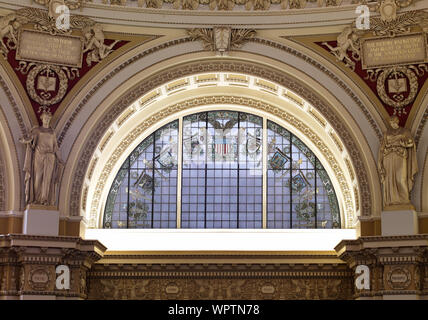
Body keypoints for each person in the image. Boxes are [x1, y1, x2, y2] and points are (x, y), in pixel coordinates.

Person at [20, 111, 64, 206]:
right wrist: (24, 140)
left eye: (48, 118)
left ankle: (45, 199)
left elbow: (55, 147)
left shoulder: (52, 132)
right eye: (45, 118)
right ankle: (36, 199)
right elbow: (31, 139)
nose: (47, 120)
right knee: (37, 177)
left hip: (50, 157)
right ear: (42, 119)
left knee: (47, 179)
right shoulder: (37, 130)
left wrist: (60, 158)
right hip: (39, 156)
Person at [378, 115, 418, 209]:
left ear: (397, 121)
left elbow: (411, 142)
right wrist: (380, 161)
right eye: (390, 123)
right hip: (388, 156)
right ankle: (391, 201)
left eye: (393, 122)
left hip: (400, 155)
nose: (392, 124)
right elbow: (382, 147)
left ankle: (404, 200)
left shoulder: (404, 131)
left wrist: (406, 144)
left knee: (401, 178)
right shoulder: (387, 133)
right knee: (390, 179)